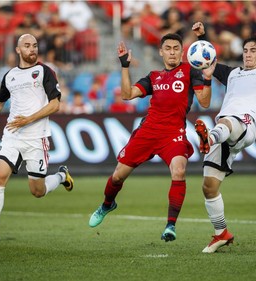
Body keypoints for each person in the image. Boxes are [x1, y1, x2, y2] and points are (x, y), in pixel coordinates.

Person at [89, 33, 214, 242]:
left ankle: (170, 226)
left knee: (179, 171)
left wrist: (208, 78)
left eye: (176, 48)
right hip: (148, 132)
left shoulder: (190, 72)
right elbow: (127, 95)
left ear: (182, 52)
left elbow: (205, 102)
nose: (172, 52)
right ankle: (107, 204)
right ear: (161, 52)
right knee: (118, 176)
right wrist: (125, 66)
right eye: (168, 48)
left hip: (173, 133)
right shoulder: (154, 76)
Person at [192, 22, 256, 253]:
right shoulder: (233, 73)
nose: (248, 54)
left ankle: (209, 136)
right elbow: (209, 61)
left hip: (244, 127)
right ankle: (221, 234)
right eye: (246, 50)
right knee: (209, 187)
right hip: (226, 132)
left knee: (227, 120)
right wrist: (202, 36)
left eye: (253, 51)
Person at [0, 34, 74, 246]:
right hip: (13, 135)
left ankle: (62, 176)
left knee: (37, 191)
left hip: (37, 138)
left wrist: (28, 120)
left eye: (34, 45)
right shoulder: (10, 76)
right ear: (18, 50)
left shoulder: (44, 71)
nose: (32, 49)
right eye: (27, 46)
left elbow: (55, 104)